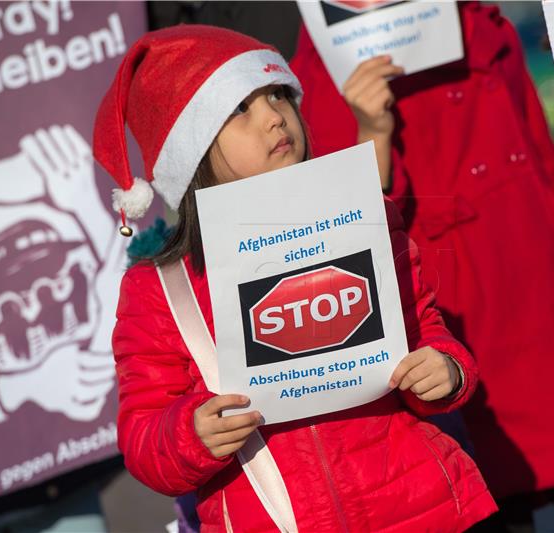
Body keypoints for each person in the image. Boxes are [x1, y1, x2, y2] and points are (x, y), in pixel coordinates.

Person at [93, 25, 496, 532]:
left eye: (278, 95)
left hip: (425, 510)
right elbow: (143, 435)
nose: (272, 117)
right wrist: (191, 434)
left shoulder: (363, 218)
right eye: (238, 109)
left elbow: (427, 329)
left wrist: (446, 372)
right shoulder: (159, 290)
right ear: (191, 155)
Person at [290, 2, 554, 531]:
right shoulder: (328, 55)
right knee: (495, 493)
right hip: (462, 317)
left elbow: (541, 156)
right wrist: (373, 129)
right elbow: (346, 224)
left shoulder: (477, 17)